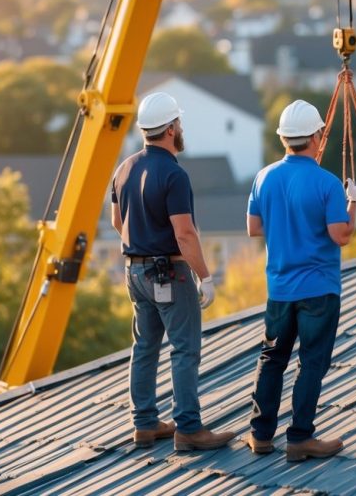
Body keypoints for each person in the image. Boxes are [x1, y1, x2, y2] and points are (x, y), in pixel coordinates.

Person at [110, 92, 234, 452]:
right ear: (168, 129)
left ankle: (145, 424)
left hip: (134, 272)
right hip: (169, 273)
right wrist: (205, 276)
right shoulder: (174, 175)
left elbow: (117, 221)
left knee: (145, 346)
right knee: (184, 349)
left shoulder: (124, 168)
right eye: (178, 123)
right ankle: (189, 429)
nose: (181, 128)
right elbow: (184, 233)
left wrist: (143, 248)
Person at [243, 100, 356, 462]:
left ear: (283, 138)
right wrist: (352, 202)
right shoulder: (326, 183)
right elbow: (341, 235)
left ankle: (260, 435)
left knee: (272, 358)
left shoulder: (264, 177)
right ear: (316, 137)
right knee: (311, 362)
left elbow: (254, 228)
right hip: (319, 291)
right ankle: (299, 438)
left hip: (279, 289)